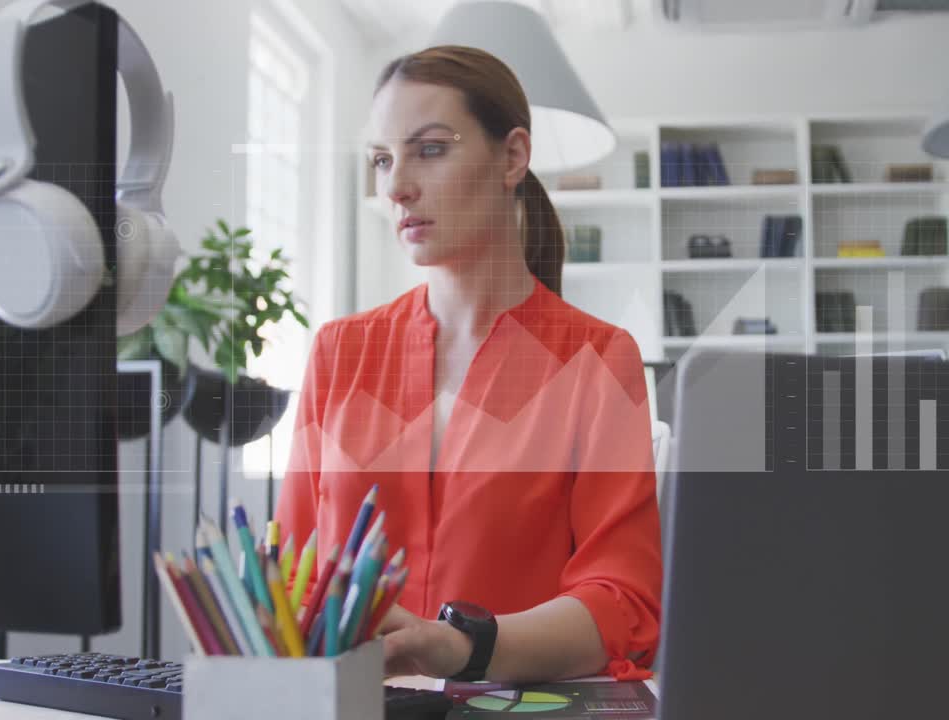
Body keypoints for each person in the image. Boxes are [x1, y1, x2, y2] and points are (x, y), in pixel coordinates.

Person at [275, 46, 661, 685]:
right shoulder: (339, 352)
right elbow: (290, 573)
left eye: (429, 149)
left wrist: (461, 647)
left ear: (512, 156)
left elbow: (623, 603)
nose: (396, 185)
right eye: (381, 159)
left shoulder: (597, 359)